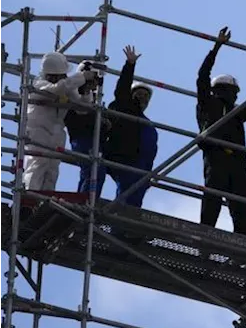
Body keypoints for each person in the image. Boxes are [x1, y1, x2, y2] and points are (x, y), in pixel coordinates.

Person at [196, 27, 246, 235]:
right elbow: (202, 76)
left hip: (236, 162)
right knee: (212, 201)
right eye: (233, 92)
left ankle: (243, 247)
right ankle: (205, 240)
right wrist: (217, 47)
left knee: (244, 208)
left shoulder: (235, 114)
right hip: (217, 156)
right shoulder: (208, 104)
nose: (235, 96)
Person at [87, 46, 157, 207]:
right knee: (99, 174)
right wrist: (130, 65)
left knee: (135, 188)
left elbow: (150, 152)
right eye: (139, 94)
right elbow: (123, 87)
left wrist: (148, 174)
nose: (143, 98)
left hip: (132, 161)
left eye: (146, 96)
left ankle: (124, 223)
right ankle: (89, 205)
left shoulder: (148, 125)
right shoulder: (122, 105)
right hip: (115, 154)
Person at [24, 52, 96, 192]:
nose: (64, 77)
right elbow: (56, 90)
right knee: (37, 165)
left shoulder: (65, 87)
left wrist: (86, 92)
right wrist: (81, 77)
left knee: (52, 170)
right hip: (38, 132)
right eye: (61, 75)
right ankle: (29, 198)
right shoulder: (39, 84)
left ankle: (44, 201)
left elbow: (82, 108)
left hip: (56, 134)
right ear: (51, 75)